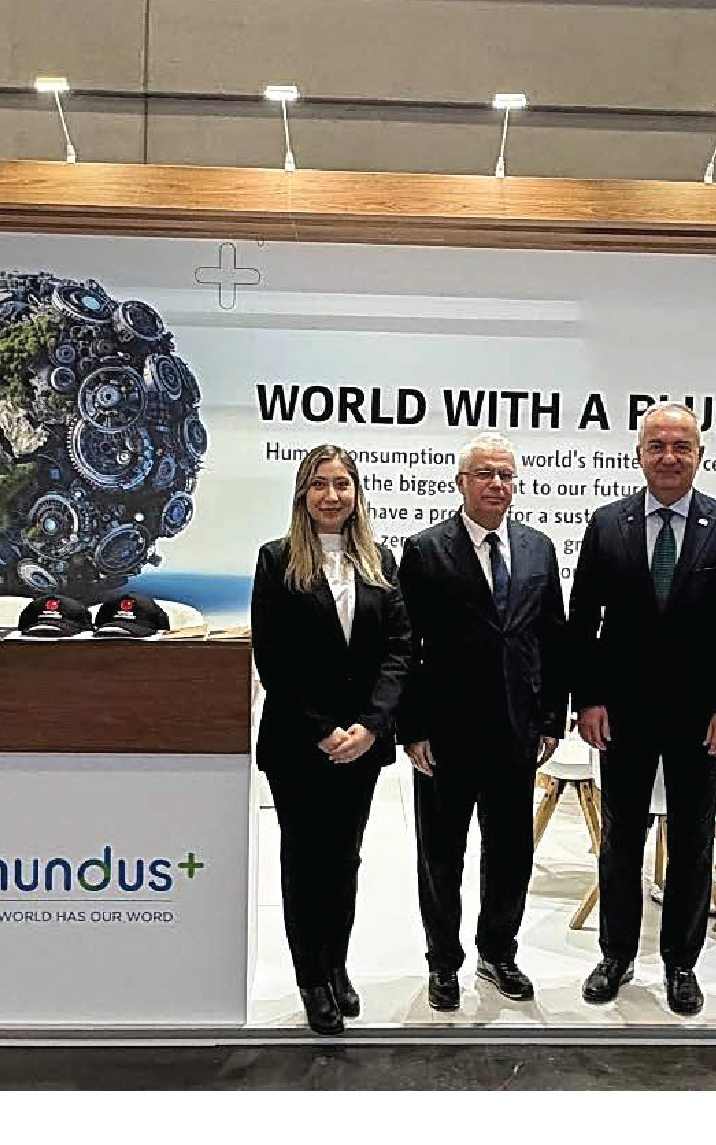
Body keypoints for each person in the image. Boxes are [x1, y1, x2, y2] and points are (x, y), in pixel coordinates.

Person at [569, 401, 716, 1016]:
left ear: (700, 455)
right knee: (620, 839)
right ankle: (616, 955)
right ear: (639, 454)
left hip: (700, 718)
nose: (670, 457)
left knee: (693, 841)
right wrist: (587, 699)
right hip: (622, 714)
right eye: (658, 446)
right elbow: (583, 621)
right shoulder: (608, 524)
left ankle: (682, 963)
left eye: (682, 446)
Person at [398, 432, 567, 1010]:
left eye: (506, 475)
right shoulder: (425, 550)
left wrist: (551, 718)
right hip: (445, 734)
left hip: (517, 732)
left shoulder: (538, 548)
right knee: (441, 854)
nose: (497, 484)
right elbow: (407, 647)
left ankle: (498, 952)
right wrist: (412, 728)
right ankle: (443, 961)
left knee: (511, 851)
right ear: (461, 483)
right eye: (485, 474)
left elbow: (552, 637)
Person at [251, 444, 411, 1037]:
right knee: (304, 861)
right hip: (300, 744)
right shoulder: (276, 561)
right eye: (319, 484)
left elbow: (398, 649)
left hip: (361, 745)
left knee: (345, 860)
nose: (331, 495)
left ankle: (337, 964)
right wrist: (322, 730)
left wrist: (372, 724)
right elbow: (275, 659)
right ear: (303, 493)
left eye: (342, 483)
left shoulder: (379, 560)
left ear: (356, 493)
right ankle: (311, 978)